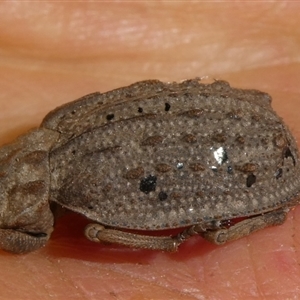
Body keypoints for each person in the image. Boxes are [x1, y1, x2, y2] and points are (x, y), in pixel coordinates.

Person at [1, 2, 299, 299]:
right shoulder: (61, 122)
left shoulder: (79, 178)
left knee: (103, 231)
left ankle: (273, 213)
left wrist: (172, 242)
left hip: (263, 161)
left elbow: (82, 234)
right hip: (241, 119)